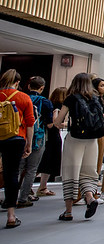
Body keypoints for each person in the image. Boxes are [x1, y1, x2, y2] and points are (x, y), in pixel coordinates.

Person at [53, 72, 104, 221]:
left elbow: (58, 121)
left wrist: (60, 123)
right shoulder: (96, 98)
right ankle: (90, 197)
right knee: (88, 172)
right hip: (93, 139)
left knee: (71, 172)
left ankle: (68, 211)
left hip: (75, 139)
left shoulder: (71, 98)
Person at [0, 69, 34, 228]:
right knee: (11, 173)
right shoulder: (23, 97)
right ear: (18, 82)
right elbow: (30, 122)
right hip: (16, 137)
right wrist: (29, 143)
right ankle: (11, 215)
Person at [16, 76, 53, 208]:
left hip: (20, 134)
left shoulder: (20, 98)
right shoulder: (45, 102)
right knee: (32, 168)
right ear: (42, 88)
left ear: (29, 86)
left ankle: (12, 196)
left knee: (18, 167)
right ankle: (23, 197)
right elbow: (49, 124)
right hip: (38, 136)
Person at [36, 86, 67, 197]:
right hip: (53, 136)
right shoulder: (58, 107)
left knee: (44, 162)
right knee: (47, 161)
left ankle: (41, 186)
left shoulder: (48, 104)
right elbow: (55, 122)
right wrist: (65, 124)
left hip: (48, 136)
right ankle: (42, 186)